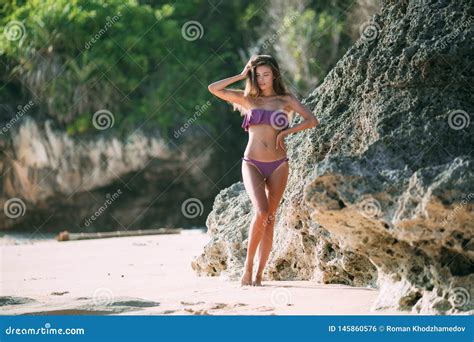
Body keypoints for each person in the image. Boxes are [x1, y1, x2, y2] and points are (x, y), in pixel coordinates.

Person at [208, 54, 319, 286]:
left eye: (266, 75)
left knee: (270, 217)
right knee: (260, 211)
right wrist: (241, 75)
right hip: (252, 162)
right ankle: (247, 269)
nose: (262, 80)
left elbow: (312, 120)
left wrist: (285, 133)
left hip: (279, 164)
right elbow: (213, 88)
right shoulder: (248, 99)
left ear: (275, 75)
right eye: (257, 76)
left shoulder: (285, 100)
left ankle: (259, 274)